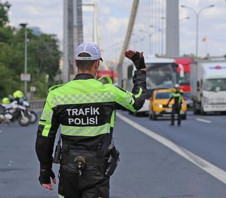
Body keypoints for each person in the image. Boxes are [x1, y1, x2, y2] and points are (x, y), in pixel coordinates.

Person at [35, 42, 147, 198]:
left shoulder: (57, 95)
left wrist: (45, 170)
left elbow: (44, 136)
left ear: (75, 64)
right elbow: (137, 102)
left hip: (68, 170)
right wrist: (140, 69)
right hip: (97, 171)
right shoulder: (109, 92)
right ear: (97, 63)